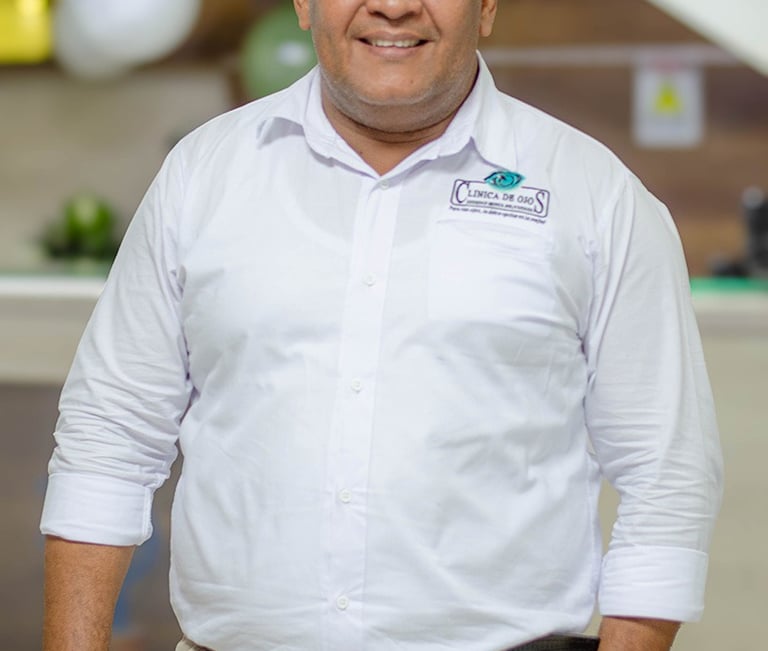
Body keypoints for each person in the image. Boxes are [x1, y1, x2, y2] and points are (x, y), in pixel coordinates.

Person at [41, 1, 723, 650]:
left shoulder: (597, 197)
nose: (393, 8)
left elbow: (666, 473)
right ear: (304, 5)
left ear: (486, 7)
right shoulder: (202, 175)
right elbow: (109, 438)